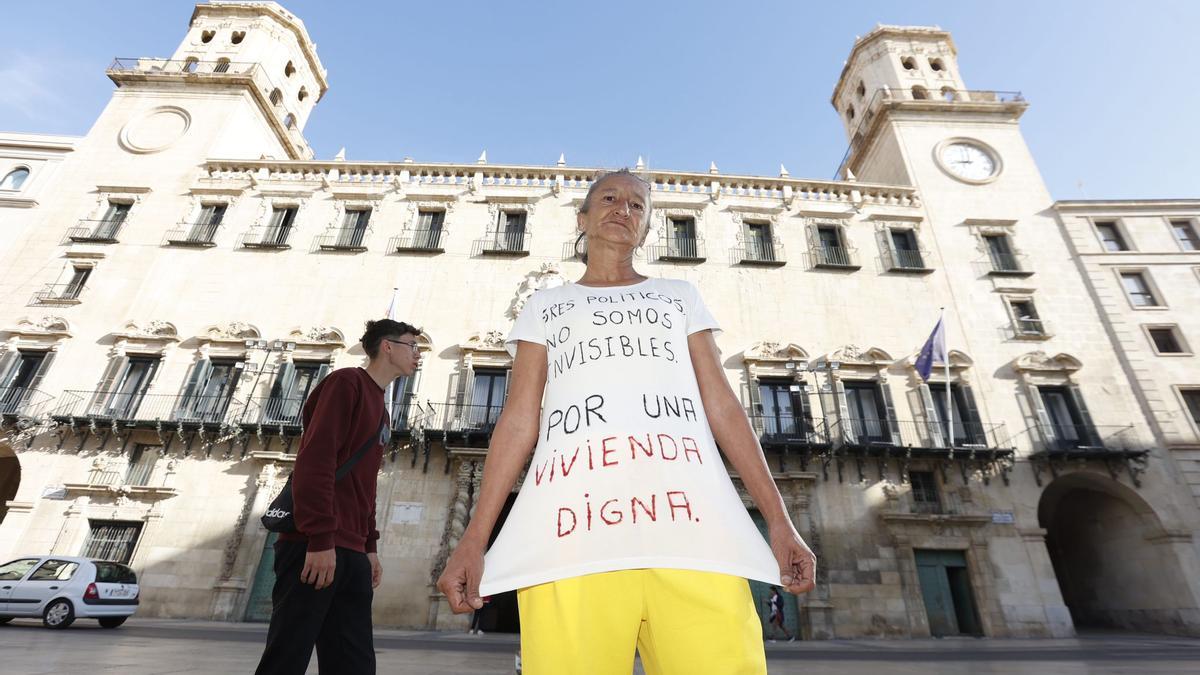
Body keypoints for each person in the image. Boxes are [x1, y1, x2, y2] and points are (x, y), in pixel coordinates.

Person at [437, 170, 817, 674]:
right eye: (610, 199)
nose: (624, 209)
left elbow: (723, 406)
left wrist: (780, 521)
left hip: (693, 540)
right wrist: (473, 539)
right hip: (571, 541)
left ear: (646, 226)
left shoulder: (679, 297)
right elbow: (519, 419)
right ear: (583, 217)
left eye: (638, 206)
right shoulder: (544, 307)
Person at [255, 319, 421, 675]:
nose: (418, 355)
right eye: (412, 346)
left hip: (351, 551)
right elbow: (316, 460)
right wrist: (319, 538)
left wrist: (370, 546)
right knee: (288, 655)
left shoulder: (382, 409)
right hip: (313, 547)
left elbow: (365, 486)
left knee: (353, 661)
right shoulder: (346, 383)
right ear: (388, 347)